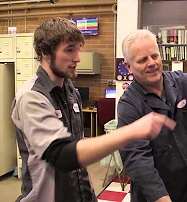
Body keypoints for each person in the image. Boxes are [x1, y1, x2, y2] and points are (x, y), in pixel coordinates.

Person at [10, 18, 176, 202]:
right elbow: (63, 155)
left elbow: (78, 153)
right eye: (69, 50)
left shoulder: (70, 91)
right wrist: (130, 131)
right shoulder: (31, 97)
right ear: (45, 53)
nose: (78, 58)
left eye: (78, 49)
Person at [117, 29, 187, 202]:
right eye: (143, 60)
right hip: (157, 196)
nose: (152, 63)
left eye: (154, 56)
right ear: (128, 66)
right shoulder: (129, 105)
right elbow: (138, 161)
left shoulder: (184, 82)